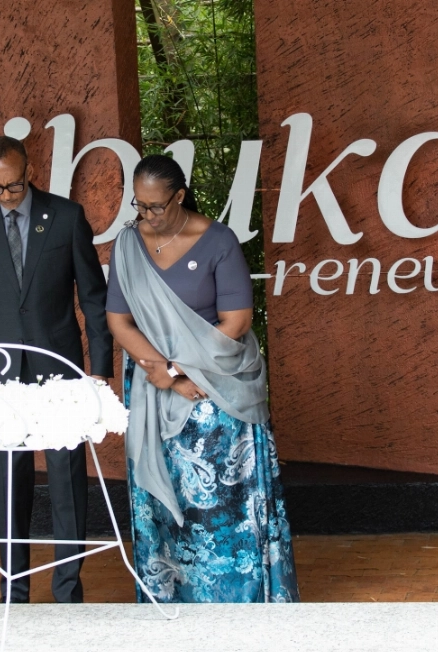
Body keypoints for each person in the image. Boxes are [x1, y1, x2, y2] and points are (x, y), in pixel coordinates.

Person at [106, 154, 299, 603]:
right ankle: (172, 603)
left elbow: (236, 321)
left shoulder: (218, 241)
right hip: (155, 390)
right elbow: (119, 322)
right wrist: (163, 376)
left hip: (216, 384)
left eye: (156, 206)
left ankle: (239, 602)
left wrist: (178, 369)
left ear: (179, 196)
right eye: (139, 205)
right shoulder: (128, 245)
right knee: (164, 506)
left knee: (225, 508)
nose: (146, 216)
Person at [0, 136, 113, 604]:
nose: (4, 197)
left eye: (13, 187)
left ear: (30, 170)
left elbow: (93, 299)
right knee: (9, 480)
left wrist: (99, 369)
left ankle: (67, 590)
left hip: (59, 369)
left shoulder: (66, 217)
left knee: (65, 478)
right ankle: (14, 591)